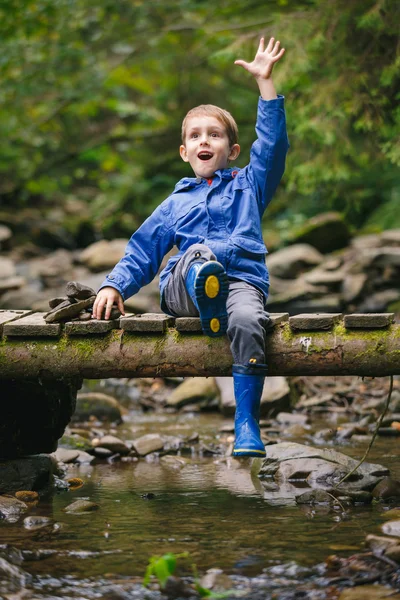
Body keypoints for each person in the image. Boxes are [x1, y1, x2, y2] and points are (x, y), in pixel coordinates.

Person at [92, 36, 289, 458]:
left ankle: (246, 423)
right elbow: (143, 252)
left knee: (251, 320)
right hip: (183, 289)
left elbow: (272, 147)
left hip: (240, 284)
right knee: (198, 256)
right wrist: (113, 287)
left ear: (232, 150)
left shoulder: (249, 186)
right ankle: (205, 282)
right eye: (196, 136)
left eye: (214, 135)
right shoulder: (174, 204)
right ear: (184, 152)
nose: (205, 141)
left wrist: (265, 84)